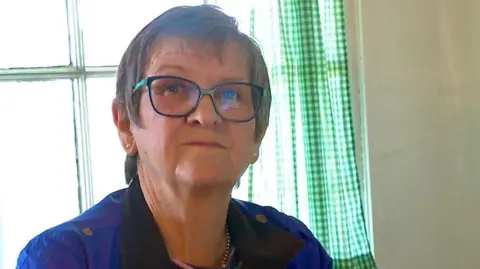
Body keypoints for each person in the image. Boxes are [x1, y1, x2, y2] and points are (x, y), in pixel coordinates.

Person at [17, 5, 332, 269]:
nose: (206, 116)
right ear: (126, 125)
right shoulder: (63, 259)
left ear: (258, 134)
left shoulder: (298, 250)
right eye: (172, 88)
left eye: (231, 94)